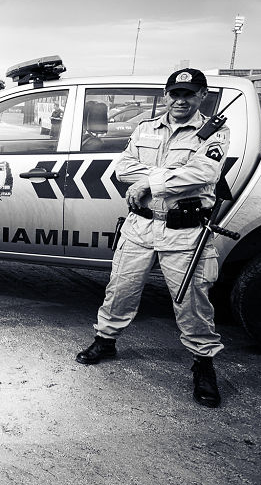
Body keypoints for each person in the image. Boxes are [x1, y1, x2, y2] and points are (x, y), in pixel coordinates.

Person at [75, 68, 230, 409]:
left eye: (188, 93)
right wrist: (165, 177)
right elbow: (123, 169)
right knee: (121, 288)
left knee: (191, 301)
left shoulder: (213, 133)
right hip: (140, 226)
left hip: (184, 230)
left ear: (201, 96)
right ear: (166, 95)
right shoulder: (146, 128)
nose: (180, 99)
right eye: (174, 93)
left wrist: (150, 183)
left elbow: (205, 172)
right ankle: (106, 339)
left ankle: (203, 363)